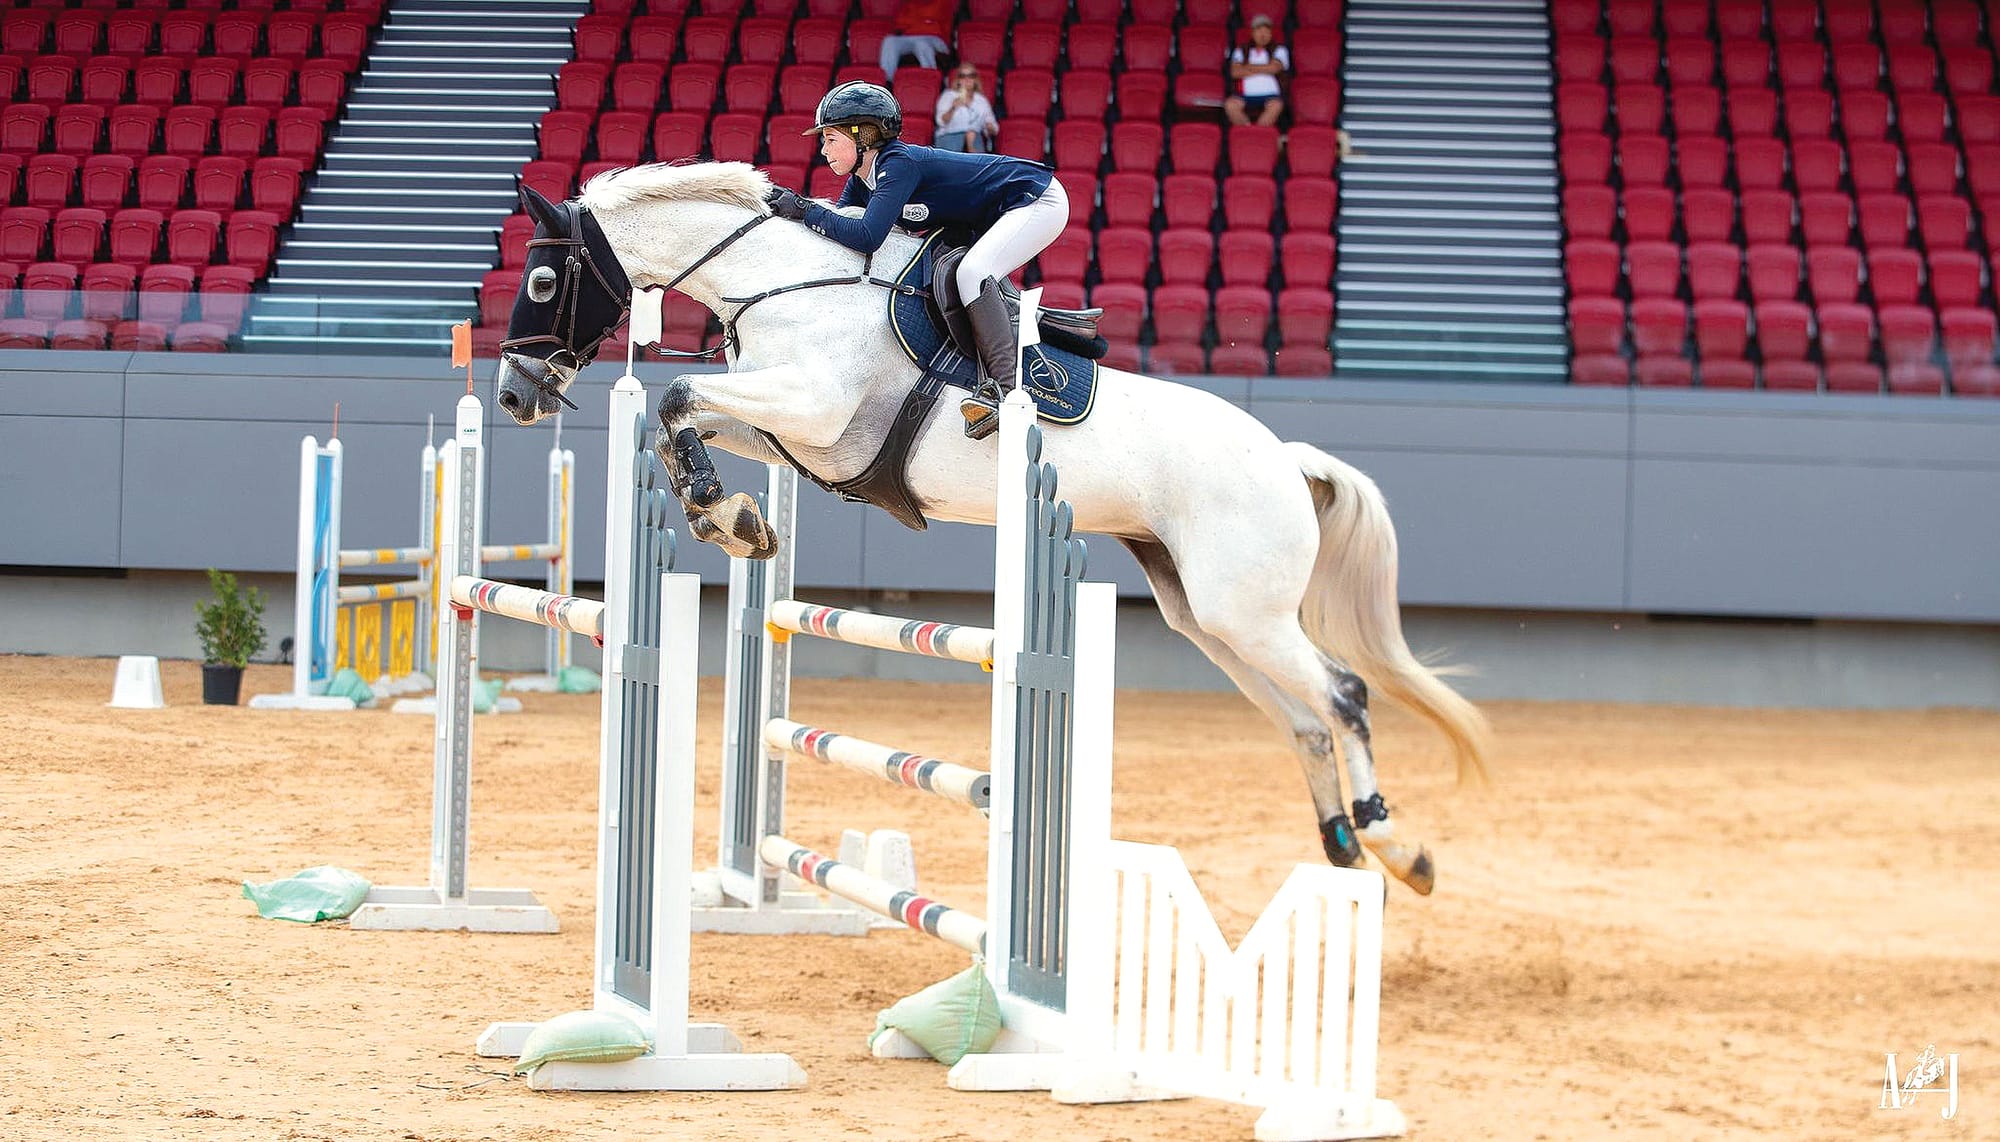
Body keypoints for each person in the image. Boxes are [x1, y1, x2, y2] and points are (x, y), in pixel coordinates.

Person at [764, 81, 1067, 431]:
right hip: (990, 215)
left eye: (830, 139)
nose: (823, 149)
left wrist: (803, 210)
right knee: (965, 271)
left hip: (1034, 199)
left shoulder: (897, 164)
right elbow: (840, 234)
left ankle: (1005, 392)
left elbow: (866, 237)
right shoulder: (863, 179)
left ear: (862, 136)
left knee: (973, 273)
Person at [1224, 14, 1288, 127]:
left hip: (1271, 95)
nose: (1262, 35)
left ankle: (1259, 132)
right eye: (1259, 30)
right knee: (1230, 105)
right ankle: (1247, 129)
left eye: (1266, 31)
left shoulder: (1279, 50)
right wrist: (1265, 68)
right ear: (1252, 33)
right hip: (1244, 94)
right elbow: (1235, 72)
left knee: (1276, 106)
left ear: (1271, 34)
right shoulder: (1241, 51)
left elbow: (1274, 68)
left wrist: (1247, 67)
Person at [878, 0, 953, 80]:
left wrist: (914, 22)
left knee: (921, 44)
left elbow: (932, 14)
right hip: (910, 36)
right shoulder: (910, 3)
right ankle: (887, 81)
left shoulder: (943, 2)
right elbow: (899, 23)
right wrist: (925, 21)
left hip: (936, 38)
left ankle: (932, 80)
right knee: (890, 41)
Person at [933, 65, 998, 153]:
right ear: (958, 80)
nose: (967, 79)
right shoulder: (948, 96)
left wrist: (990, 127)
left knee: (972, 135)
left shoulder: (981, 100)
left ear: (975, 80)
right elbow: (940, 121)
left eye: (971, 76)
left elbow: (993, 128)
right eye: (962, 76)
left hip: (974, 137)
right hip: (950, 136)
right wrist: (953, 108)